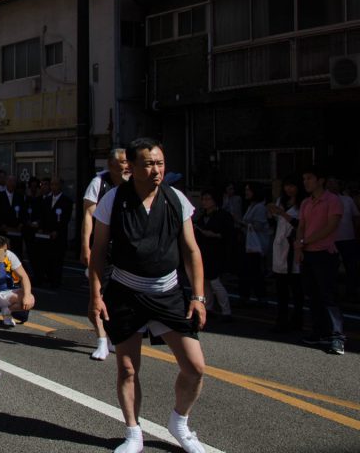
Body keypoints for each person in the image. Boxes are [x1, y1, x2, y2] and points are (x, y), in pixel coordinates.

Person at [88, 138, 208, 453]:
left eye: (160, 163)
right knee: (127, 368)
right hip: (126, 293)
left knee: (195, 367)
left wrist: (198, 296)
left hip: (168, 292)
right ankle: (133, 432)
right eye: (148, 164)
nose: (156, 170)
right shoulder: (112, 200)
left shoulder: (176, 199)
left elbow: (191, 250)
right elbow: (98, 251)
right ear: (132, 167)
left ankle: (179, 422)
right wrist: (96, 295)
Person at [80, 148, 129, 360]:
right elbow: (88, 216)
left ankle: (111, 336)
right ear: (111, 165)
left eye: (129, 162)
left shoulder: (135, 184)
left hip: (126, 249)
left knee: (120, 296)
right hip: (102, 248)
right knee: (97, 294)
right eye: (123, 162)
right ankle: (101, 340)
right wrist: (85, 247)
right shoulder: (98, 183)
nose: (127, 165)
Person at [296, 167, 346, 355]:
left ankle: (337, 337)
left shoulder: (333, 201)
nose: (306, 182)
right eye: (304, 178)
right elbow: (301, 226)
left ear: (320, 180)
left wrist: (304, 241)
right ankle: (319, 332)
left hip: (325, 253)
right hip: (308, 253)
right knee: (313, 295)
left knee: (328, 296)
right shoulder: (306, 203)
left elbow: (331, 226)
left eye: (309, 178)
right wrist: (300, 246)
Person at [268, 176, 303, 332]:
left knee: (296, 289)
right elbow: (275, 222)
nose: (289, 189)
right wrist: (272, 213)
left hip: (293, 247)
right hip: (279, 246)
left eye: (292, 186)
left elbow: (299, 225)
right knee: (281, 288)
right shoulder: (281, 201)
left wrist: (282, 214)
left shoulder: (303, 204)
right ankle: (281, 320)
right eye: (286, 186)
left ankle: (297, 320)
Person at [193, 189, 235, 321]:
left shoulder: (223, 216)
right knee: (205, 282)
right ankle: (209, 307)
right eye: (203, 199)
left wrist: (215, 235)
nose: (204, 202)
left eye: (208, 199)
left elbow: (229, 234)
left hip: (217, 252)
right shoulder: (202, 216)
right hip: (204, 252)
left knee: (215, 282)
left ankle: (226, 311)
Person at [0, 235, 35, 327]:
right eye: (2, 251)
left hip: (4, 295)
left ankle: (7, 310)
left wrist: (27, 296)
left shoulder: (9, 255)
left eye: (6, 250)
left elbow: (24, 277)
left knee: (29, 300)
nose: (5, 253)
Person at [239, 182, 271, 305]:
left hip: (255, 244)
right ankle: (251, 296)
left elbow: (257, 226)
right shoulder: (252, 206)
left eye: (249, 190)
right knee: (250, 270)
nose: (246, 192)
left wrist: (241, 223)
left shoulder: (259, 207)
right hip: (250, 243)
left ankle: (258, 296)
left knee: (254, 270)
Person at [39, 177, 74, 289]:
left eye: (56, 184)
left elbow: (66, 219)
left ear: (60, 186)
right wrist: (42, 228)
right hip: (47, 235)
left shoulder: (66, 201)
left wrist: (57, 231)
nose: (53, 187)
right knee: (47, 258)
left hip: (59, 236)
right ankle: (49, 279)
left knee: (57, 260)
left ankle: (56, 281)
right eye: (52, 185)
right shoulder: (46, 200)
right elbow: (43, 217)